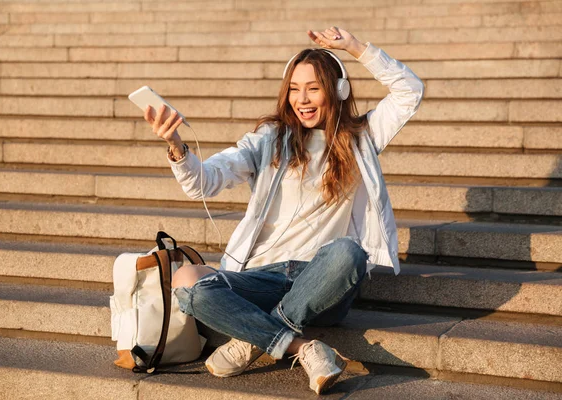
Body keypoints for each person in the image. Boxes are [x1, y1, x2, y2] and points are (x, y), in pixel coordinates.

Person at [143, 26, 424, 394]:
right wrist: (177, 146)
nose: (302, 99)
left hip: (321, 280)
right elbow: (204, 181)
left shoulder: (362, 137)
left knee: (349, 253)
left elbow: (410, 91)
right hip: (262, 277)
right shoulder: (269, 140)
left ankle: (256, 338)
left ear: (338, 91)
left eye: (313, 88)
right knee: (186, 281)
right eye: (294, 89)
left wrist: (356, 47)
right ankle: (299, 345)